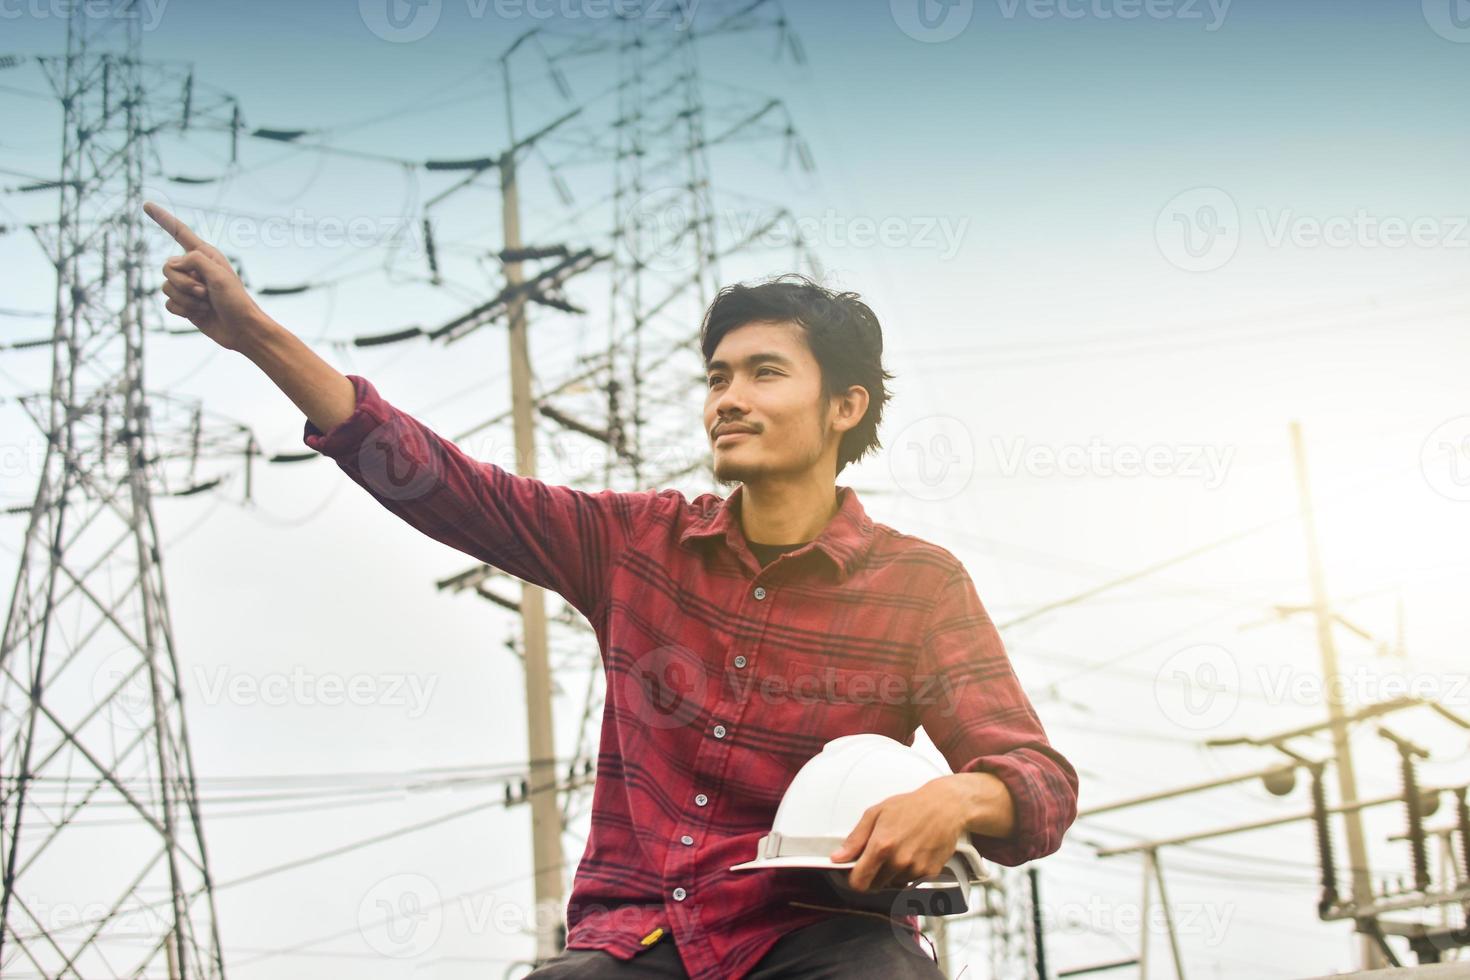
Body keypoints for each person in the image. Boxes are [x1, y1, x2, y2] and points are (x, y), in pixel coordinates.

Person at [145, 201, 1079, 980]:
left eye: (764, 373)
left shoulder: (918, 586)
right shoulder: (639, 544)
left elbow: (1039, 785)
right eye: (718, 376)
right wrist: (254, 335)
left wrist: (958, 800)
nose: (729, 398)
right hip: (633, 942)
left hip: (824, 939)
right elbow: (443, 484)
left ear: (846, 407)